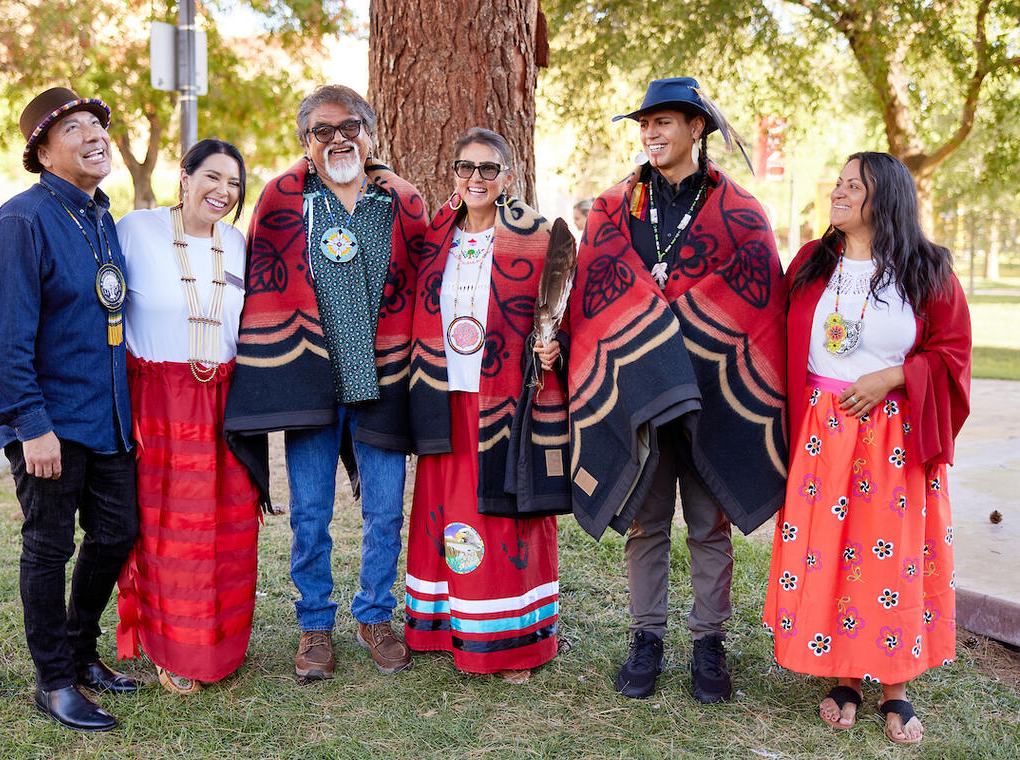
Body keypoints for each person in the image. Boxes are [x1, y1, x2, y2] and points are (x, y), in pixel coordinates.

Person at [571, 77, 788, 701]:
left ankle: (709, 644)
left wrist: (683, 326)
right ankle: (646, 639)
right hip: (636, 394)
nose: (652, 132)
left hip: (713, 390)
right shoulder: (614, 208)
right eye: (645, 122)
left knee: (707, 523)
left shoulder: (742, 211)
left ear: (698, 128)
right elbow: (595, 292)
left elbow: (758, 302)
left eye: (665, 121)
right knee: (644, 523)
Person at [762, 152, 970, 744]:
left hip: (893, 437)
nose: (841, 191)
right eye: (840, 182)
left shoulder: (927, 270)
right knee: (832, 551)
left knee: (889, 559)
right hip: (821, 433)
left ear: (889, 199)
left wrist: (894, 377)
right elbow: (770, 333)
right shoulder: (811, 262)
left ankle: (895, 690)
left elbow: (953, 352)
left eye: (857, 185)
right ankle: (845, 677)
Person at [222, 84, 427, 680]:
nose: (338, 139)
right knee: (310, 512)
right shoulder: (283, 201)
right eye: (322, 131)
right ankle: (315, 625)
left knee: (385, 510)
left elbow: (426, 284)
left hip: (383, 378)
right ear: (304, 142)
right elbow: (261, 282)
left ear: (370, 133)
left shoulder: (402, 203)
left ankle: (374, 616)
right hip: (308, 377)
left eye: (350, 127)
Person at [0, 87, 140, 732]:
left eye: (98, 124)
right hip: (51, 423)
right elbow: (4, 338)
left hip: (109, 420)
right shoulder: (22, 221)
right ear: (43, 151)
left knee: (116, 534)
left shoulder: (102, 217)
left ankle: (82, 653)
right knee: (48, 548)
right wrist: (30, 426)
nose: (95, 135)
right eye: (75, 128)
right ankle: (53, 680)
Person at [406, 128, 566, 683]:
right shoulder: (435, 239)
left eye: (488, 169)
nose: (475, 178)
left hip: (504, 398)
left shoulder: (536, 237)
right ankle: (447, 628)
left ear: (508, 177)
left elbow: (567, 312)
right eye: (465, 167)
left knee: (502, 515)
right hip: (444, 393)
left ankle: (513, 639)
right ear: (453, 173)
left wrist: (555, 347)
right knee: (448, 513)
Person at [112, 139, 259, 694]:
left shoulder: (238, 243)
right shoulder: (136, 230)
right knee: (170, 530)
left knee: (227, 524)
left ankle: (221, 641)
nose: (223, 192)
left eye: (234, 185)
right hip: (158, 399)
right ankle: (172, 646)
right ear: (185, 176)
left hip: (224, 402)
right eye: (213, 178)